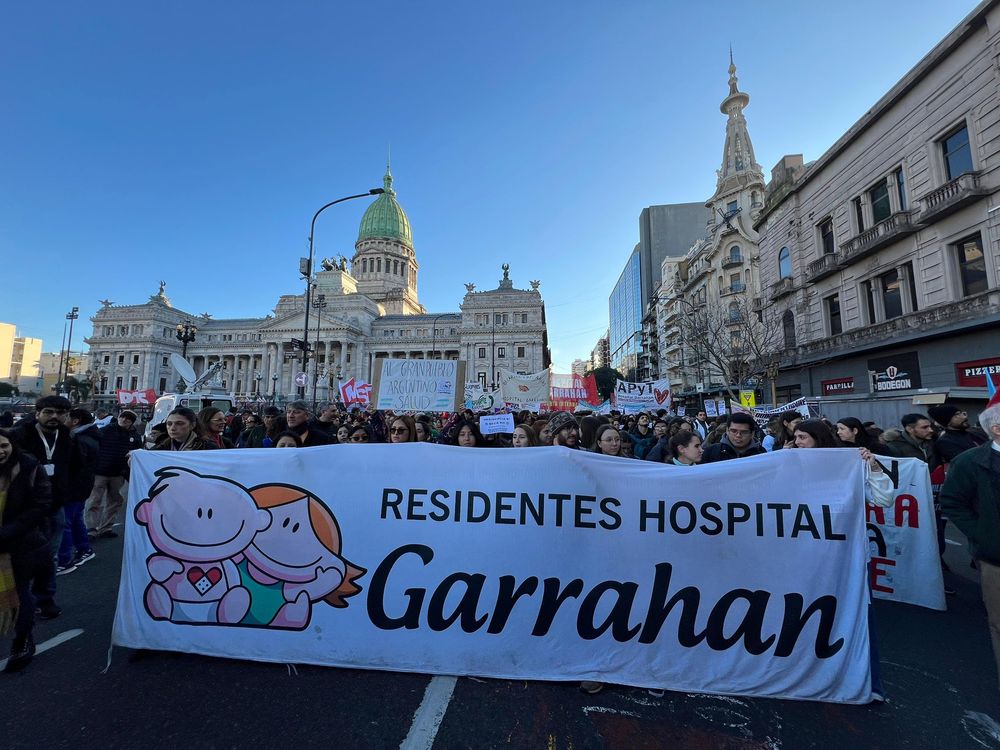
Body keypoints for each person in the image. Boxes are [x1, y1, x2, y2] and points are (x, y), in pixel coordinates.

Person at [791, 417, 894, 702]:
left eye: (803, 438)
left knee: (854, 615)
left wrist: (873, 466)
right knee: (806, 614)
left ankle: (866, 683)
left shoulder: (849, 465)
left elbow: (884, 499)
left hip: (846, 558)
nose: (798, 443)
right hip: (805, 556)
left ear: (819, 439)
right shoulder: (790, 466)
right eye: (796, 438)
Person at [939, 404, 1000, 690]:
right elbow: (953, 502)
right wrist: (984, 536)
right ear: (996, 429)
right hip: (995, 558)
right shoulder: (970, 462)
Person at [11, 396, 82, 620]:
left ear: (67, 416)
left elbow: (76, 468)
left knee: (49, 557)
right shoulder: (20, 436)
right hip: (23, 508)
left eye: (60, 413)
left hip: (54, 506)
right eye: (48, 412)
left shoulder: (68, 438)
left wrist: (68, 494)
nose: (54, 417)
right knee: (18, 556)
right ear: (37, 414)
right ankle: (16, 600)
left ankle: (44, 599)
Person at [0, 429, 53, 672]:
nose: (0, 451)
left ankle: (22, 640)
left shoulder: (29, 468)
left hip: (20, 545)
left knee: (20, 594)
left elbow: (40, 506)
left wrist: (6, 532)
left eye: (4, 446)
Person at [56, 408, 99, 575]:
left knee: (64, 522)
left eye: (66, 416)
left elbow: (72, 466)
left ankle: (64, 559)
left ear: (75, 421)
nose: (62, 420)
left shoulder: (78, 439)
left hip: (73, 486)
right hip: (81, 486)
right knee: (75, 520)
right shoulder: (88, 436)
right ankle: (84, 549)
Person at [86, 409, 140, 540]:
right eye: (122, 417)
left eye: (128, 418)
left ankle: (106, 528)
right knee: (94, 500)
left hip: (118, 473)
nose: (124, 419)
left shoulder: (135, 436)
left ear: (132, 422)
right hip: (100, 471)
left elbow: (137, 453)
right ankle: (90, 528)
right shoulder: (106, 430)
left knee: (114, 502)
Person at [700, 413, 765, 463]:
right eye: (734, 431)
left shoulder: (761, 453)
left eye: (744, 432)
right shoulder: (711, 452)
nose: (738, 435)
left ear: (752, 433)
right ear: (727, 431)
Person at [152, 408, 218, 451]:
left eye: (179, 423)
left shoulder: (208, 448)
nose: (172, 428)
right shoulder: (159, 448)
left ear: (192, 425)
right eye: (169, 424)